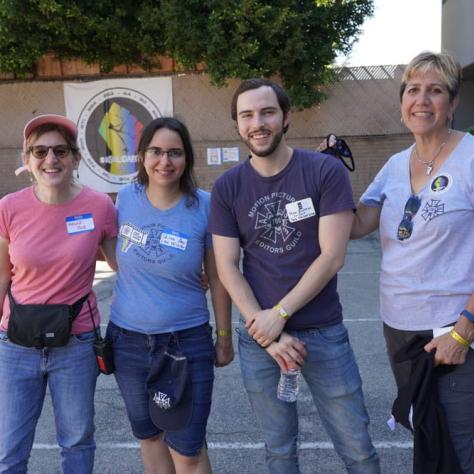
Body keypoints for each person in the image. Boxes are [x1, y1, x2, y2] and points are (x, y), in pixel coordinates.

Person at [209, 78, 380, 474]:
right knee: (280, 451)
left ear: (286, 117)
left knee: (358, 449)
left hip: (322, 332)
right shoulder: (227, 187)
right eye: (247, 115)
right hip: (259, 340)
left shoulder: (324, 171)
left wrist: (279, 315)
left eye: (267, 112)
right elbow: (227, 267)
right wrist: (264, 330)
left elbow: (332, 256)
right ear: (236, 124)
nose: (258, 122)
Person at [351, 51, 474, 472]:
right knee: (426, 430)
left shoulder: (471, 158)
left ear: (452, 104)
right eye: (413, 90)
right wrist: (325, 177)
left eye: (435, 91)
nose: (422, 100)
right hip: (399, 328)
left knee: (459, 441)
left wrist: (464, 331)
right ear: (403, 102)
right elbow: (357, 224)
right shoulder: (393, 165)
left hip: (453, 327)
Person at [107, 117, 234, 474]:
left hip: (185, 342)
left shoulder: (206, 205)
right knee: (150, 437)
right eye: (156, 152)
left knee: (189, 449)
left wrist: (223, 337)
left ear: (187, 159)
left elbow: (220, 278)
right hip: (128, 341)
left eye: (175, 153)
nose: (165, 161)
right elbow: (110, 250)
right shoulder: (125, 198)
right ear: (142, 156)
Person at [0, 114, 117, 473]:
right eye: (40, 151)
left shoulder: (99, 207)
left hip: (77, 343)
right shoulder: (9, 207)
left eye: (60, 151)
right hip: (16, 344)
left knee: (77, 441)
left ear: (75, 158)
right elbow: (1, 278)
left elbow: (125, 265)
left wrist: (190, 273)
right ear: (27, 158)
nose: (50, 159)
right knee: (9, 448)